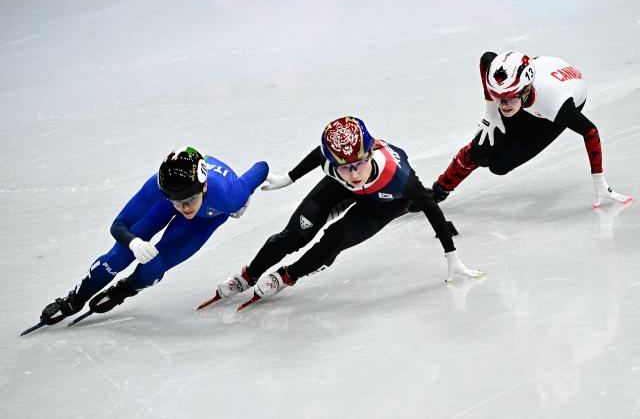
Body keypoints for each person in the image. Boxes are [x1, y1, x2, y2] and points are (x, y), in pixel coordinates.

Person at [201, 117, 485, 310]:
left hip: (385, 202)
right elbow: (318, 154)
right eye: (344, 167)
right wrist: (288, 178)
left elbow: (431, 206)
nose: (354, 173)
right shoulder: (335, 164)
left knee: (336, 238)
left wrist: (452, 255)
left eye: (359, 164)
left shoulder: (400, 178)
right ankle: (249, 275)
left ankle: (288, 276)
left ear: (371, 153)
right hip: (339, 190)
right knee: (294, 235)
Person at [38, 147, 268, 326]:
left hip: (207, 217)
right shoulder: (159, 189)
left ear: (204, 188)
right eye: (177, 201)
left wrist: (247, 195)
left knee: (154, 268)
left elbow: (261, 168)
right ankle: (73, 300)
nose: (184, 208)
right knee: (118, 257)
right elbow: (119, 225)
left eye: (189, 201)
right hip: (166, 203)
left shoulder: (229, 196)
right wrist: (134, 241)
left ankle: (123, 290)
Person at [432, 51, 632, 207]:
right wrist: (490, 111)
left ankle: (489, 157)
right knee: (480, 149)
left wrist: (599, 180)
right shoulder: (506, 86)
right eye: (498, 97)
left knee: (498, 166)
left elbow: (591, 132)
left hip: (557, 101)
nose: (503, 104)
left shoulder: (555, 106)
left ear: (526, 89)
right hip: (538, 85)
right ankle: (438, 191)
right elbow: (487, 59)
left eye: (509, 98)